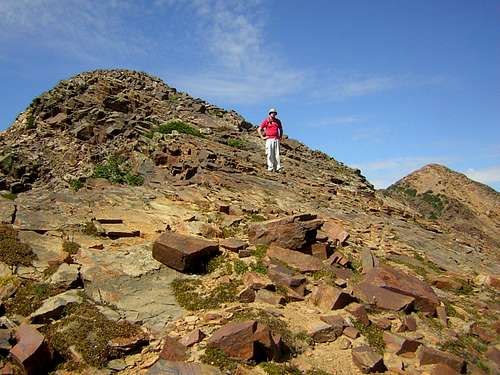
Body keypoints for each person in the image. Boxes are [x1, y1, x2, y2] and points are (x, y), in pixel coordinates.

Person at [257, 108, 283, 172]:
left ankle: (277, 168)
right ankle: (270, 167)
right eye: (272, 113)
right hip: (269, 139)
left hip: (276, 139)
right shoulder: (266, 121)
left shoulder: (278, 121)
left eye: (274, 113)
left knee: (276, 154)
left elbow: (281, 129)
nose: (273, 114)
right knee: (269, 153)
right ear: (270, 113)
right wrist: (262, 137)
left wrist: (280, 136)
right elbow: (259, 129)